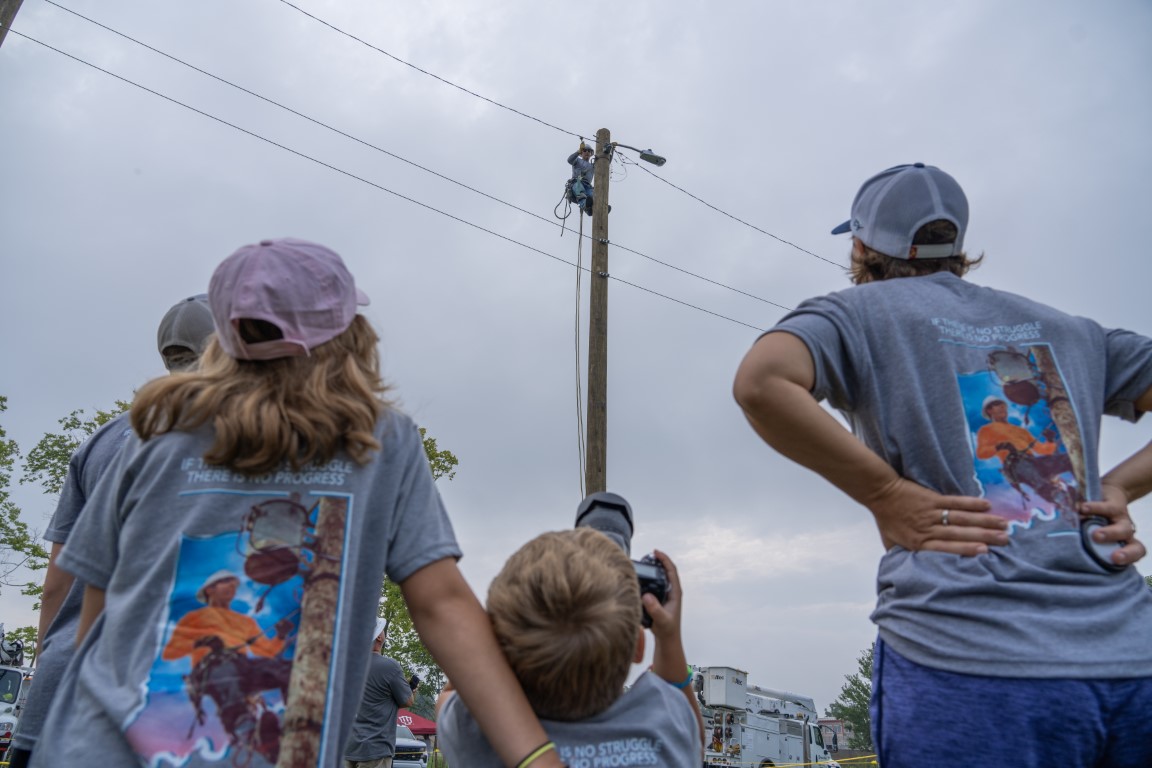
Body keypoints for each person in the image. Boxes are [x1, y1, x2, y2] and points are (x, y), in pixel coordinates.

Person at [30, 238, 563, 768]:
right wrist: (534, 755)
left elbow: (96, 614)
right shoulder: (375, 441)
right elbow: (442, 604)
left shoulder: (154, 431)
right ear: (346, 334)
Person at [733, 163, 1152, 767]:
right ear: (958, 248)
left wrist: (884, 493)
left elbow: (762, 381)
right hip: (1130, 660)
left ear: (860, 247)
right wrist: (1118, 486)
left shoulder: (857, 313)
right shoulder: (1071, 329)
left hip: (968, 661)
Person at [7, 294, 215, 768]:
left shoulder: (104, 439)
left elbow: (58, 581)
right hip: (167, 702)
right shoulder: (248, 436)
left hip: (63, 685)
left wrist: (48, 666)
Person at [437, 527, 703, 767]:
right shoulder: (664, 726)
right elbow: (694, 740)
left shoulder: (479, 733)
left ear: (499, 648)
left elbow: (449, 696)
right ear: (639, 646)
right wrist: (669, 637)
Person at [343, 618, 417, 768]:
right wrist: (410, 690)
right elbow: (407, 701)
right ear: (379, 637)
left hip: (347, 747)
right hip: (375, 750)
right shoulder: (390, 667)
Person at [567, 142, 596, 216]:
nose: (587, 152)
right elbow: (569, 160)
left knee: (594, 197)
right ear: (581, 153)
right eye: (585, 150)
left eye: (589, 151)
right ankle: (585, 206)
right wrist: (578, 151)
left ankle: (599, 210)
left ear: (591, 153)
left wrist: (610, 153)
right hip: (577, 183)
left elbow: (605, 165)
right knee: (580, 191)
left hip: (588, 186)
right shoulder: (577, 160)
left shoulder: (593, 166)